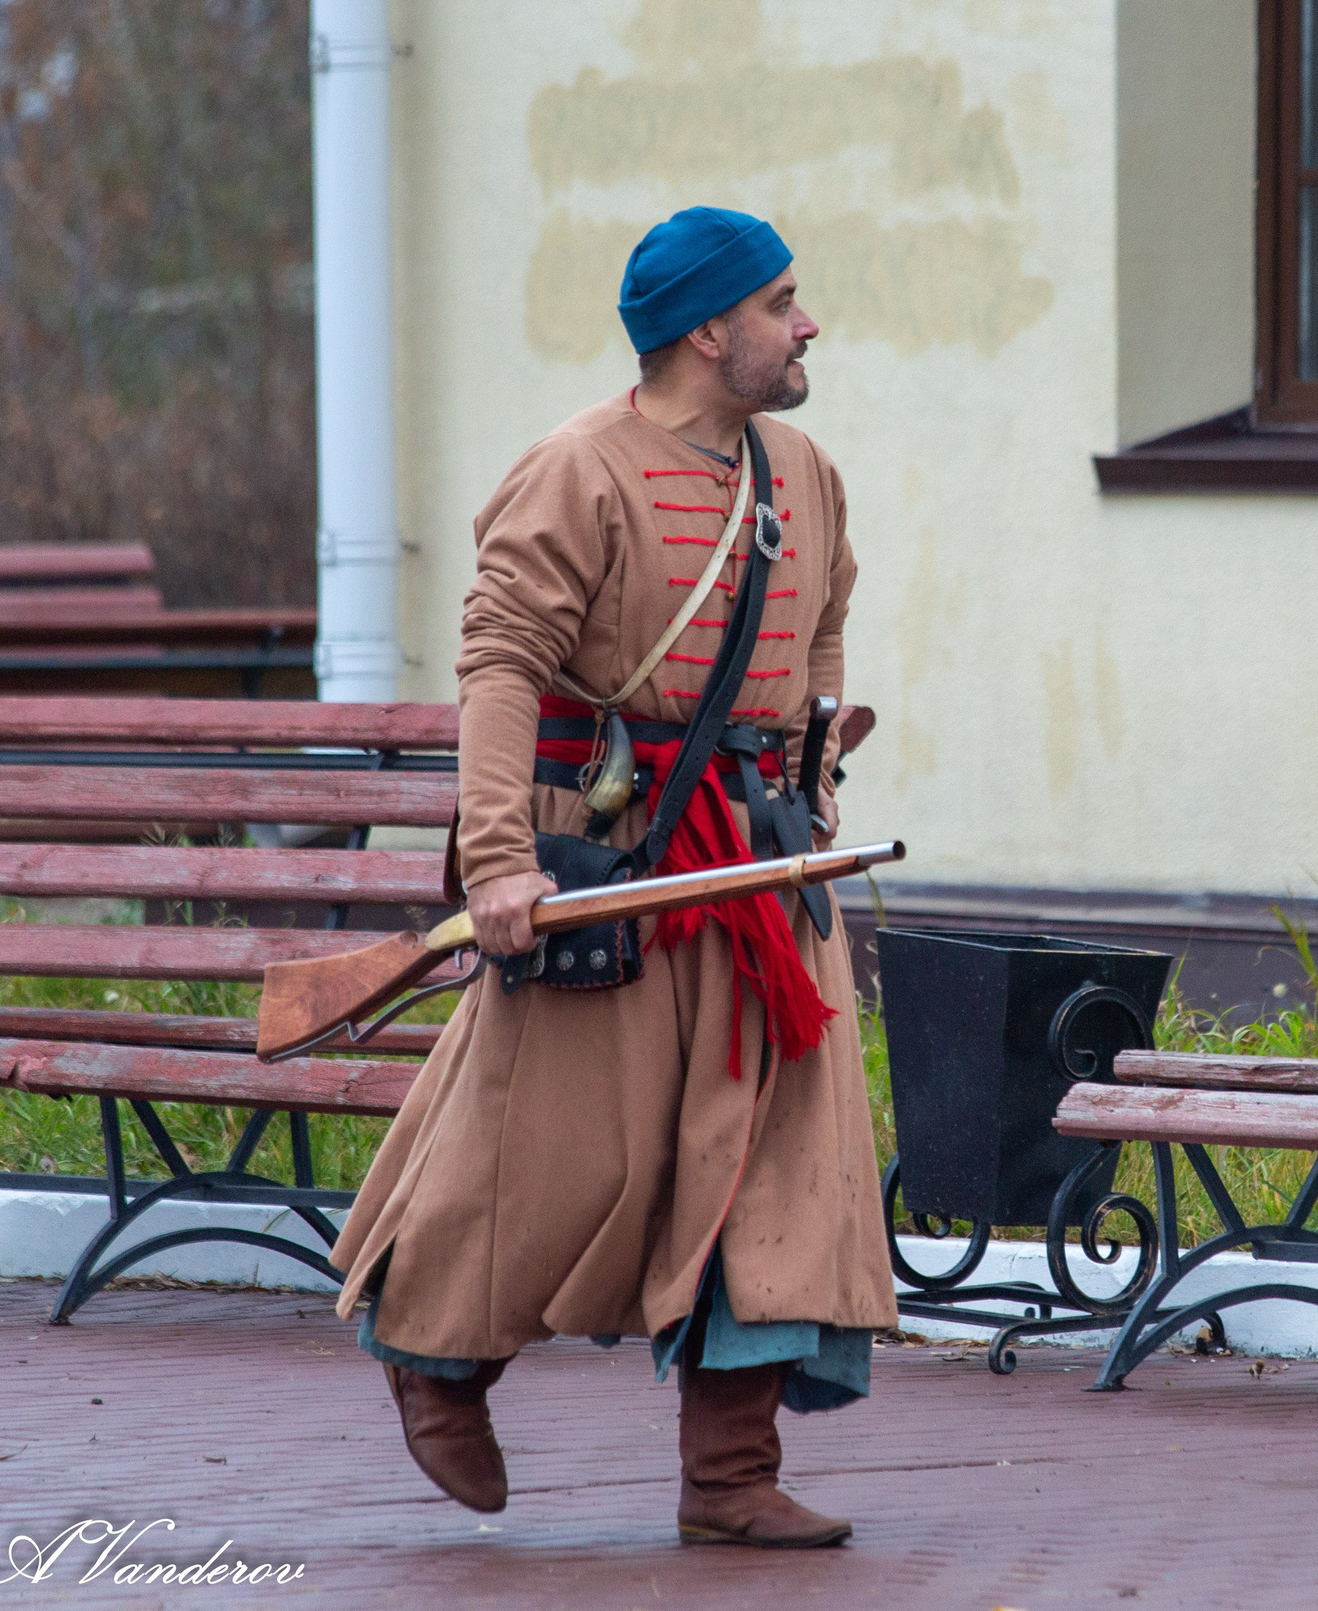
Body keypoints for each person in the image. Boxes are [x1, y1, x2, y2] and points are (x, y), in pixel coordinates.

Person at [325, 206, 893, 1548]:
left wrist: (811, 786)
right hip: (614, 865)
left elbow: (824, 633)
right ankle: (436, 1358)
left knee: (777, 1162)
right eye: (780, 303)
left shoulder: (802, 473)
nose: (806, 324)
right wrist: (503, 863)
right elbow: (501, 669)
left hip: (758, 871)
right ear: (707, 330)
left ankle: (731, 1475)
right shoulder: (576, 472)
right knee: (551, 1154)